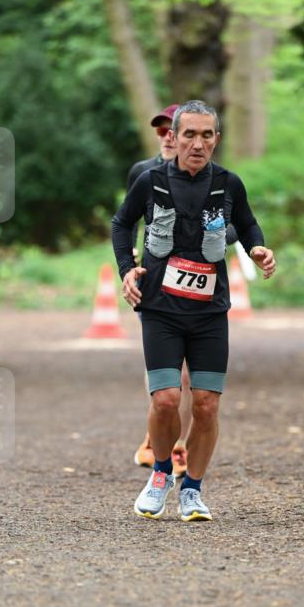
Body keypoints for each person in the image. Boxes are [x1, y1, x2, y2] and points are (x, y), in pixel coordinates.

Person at [112, 99, 276, 521]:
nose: (198, 143)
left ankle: (193, 491)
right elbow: (121, 223)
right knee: (166, 399)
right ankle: (161, 474)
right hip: (160, 309)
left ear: (216, 139)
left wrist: (257, 248)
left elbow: (249, 222)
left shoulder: (228, 183)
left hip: (208, 313)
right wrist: (128, 270)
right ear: (174, 137)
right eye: (189, 134)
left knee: (205, 405)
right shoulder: (149, 181)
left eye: (207, 135)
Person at [127, 104, 191, 477]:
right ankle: (156, 435)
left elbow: (230, 225)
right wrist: (130, 264)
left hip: (195, 279)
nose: (167, 136)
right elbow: (128, 220)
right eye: (161, 130)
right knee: (160, 369)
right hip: (153, 282)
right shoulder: (142, 172)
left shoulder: (207, 176)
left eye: (173, 129)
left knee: (185, 373)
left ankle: (178, 447)